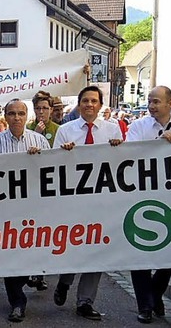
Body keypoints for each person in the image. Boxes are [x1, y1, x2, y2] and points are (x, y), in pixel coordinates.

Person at [52, 86, 123, 321]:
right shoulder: (65, 131)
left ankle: (85, 301)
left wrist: (118, 150)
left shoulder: (113, 131)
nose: (89, 104)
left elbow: (123, 164)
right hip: (74, 202)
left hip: (102, 202)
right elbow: (53, 167)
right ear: (79, 104)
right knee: (73, 248)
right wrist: (64, 154)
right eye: (85, 100)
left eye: (94, 100)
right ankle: (65, 281)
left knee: (97, 252)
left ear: (100, 105)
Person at [127, 86, 171, 323]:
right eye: (149, 101)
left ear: (170, 103)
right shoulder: (138, 127)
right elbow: (130, 156)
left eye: (156, 101)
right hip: (141, 196)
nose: (152, 106)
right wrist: (159, 143)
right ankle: (145, 305)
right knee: (139, 253)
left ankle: (155, 292)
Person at [0, 99, 50, 322]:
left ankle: (30, 276)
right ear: (5, 116)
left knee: (29, 255)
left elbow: (50, 173)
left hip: (33, 211)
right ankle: (17, 302)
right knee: (10, 258)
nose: (17, 118)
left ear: (27, 116)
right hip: (6, 213)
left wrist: (40, 159)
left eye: (21, 113)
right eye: (12, 113)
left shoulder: (39, 141)